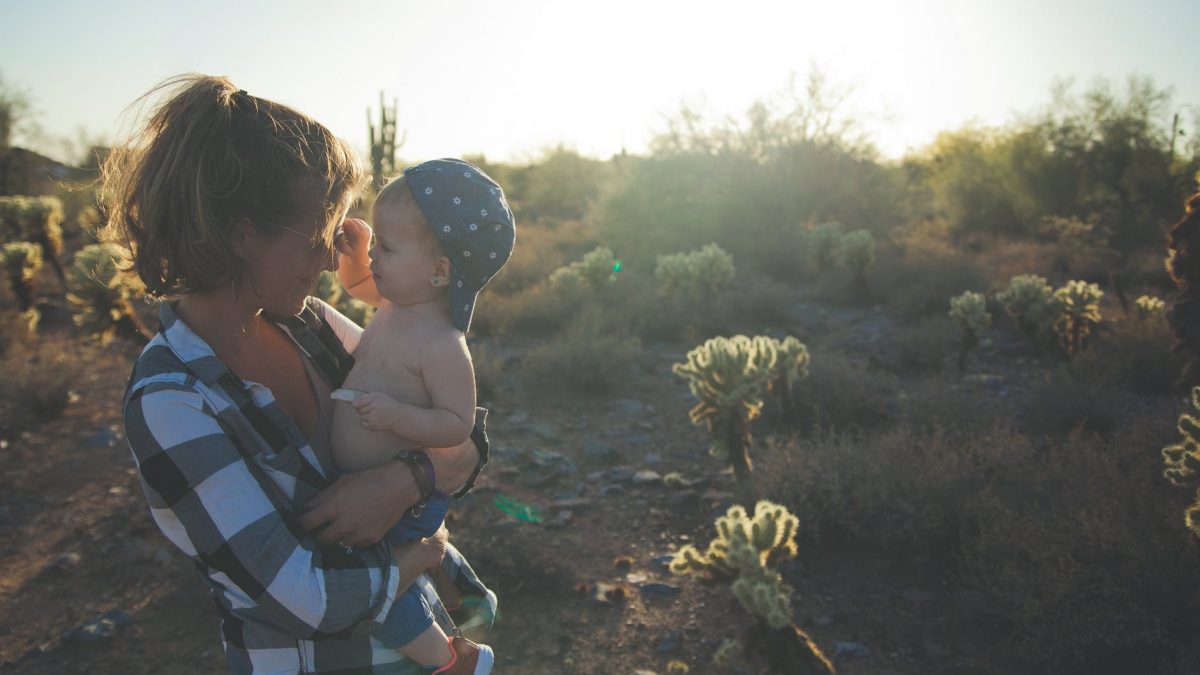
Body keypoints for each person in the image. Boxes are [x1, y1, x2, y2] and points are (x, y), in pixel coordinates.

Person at [103, 74, 495, 675]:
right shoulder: (172, 400)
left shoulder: (307, 325)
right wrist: (426, 548)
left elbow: (464, 443)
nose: (335, 260)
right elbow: (306, 600)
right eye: (319, 237)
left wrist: (404, 481)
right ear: (242, 234)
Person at [328, 160, 514, 673]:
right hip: (365, 479)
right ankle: (461, 589)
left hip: (401, 501)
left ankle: (452, 660)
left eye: (387, 248)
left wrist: (397, 415)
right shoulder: (396, 302)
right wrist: (357, 255)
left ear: (441, 270)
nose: (376, 261)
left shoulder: (442, 345)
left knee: (382, 583)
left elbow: (456, 424)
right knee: (394, 566)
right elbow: (359, 286)